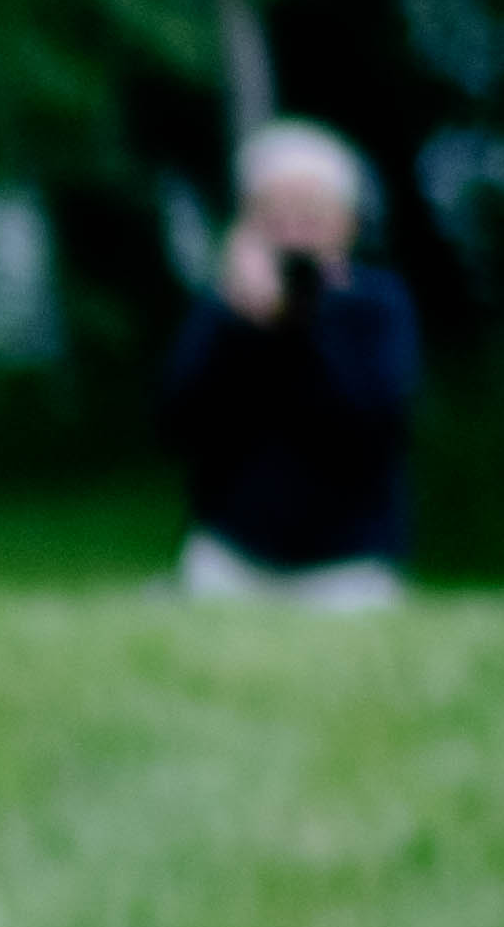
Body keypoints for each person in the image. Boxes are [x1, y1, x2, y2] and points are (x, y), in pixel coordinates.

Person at [156, 121, 420, 611]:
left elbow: (374, 424)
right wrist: (241, 323)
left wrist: (303, 323)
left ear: (347, 222)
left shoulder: (377, 306)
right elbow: (176, 423)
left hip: (348, 561)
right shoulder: (223, 310)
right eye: (274, 214)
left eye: (310, 214)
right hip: (233, 554)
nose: (293, 231)